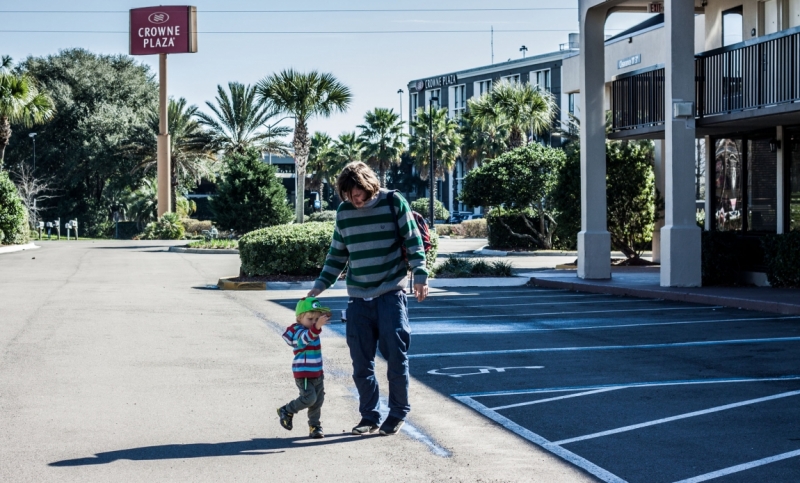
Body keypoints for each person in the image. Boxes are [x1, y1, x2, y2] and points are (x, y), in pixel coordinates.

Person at [308, 161, 429, 437]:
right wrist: (319, 286)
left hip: (390, 294)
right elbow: (337, 255)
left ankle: (398, 412)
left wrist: (420, 274)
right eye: (349, 194)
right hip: (357, 300)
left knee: (396, 359)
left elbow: (413, 240)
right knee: (361, 364)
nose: (355, 198)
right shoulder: (344, 212)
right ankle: (369, 416)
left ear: (369, 184)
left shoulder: (393, 202)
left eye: (358, 192)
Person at [276, 297, 332, 439]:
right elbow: (304, 339)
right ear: (300, 318)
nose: (313, 322)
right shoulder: (298, 331)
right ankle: (287, 410)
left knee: (318, 401)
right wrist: (317, 326)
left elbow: (313, 332)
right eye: (310, 319)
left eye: (316, 319)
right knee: (309, 398)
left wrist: (320, 322)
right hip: (304, 374)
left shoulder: (312, 329)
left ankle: (315, 426)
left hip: (317, 373)